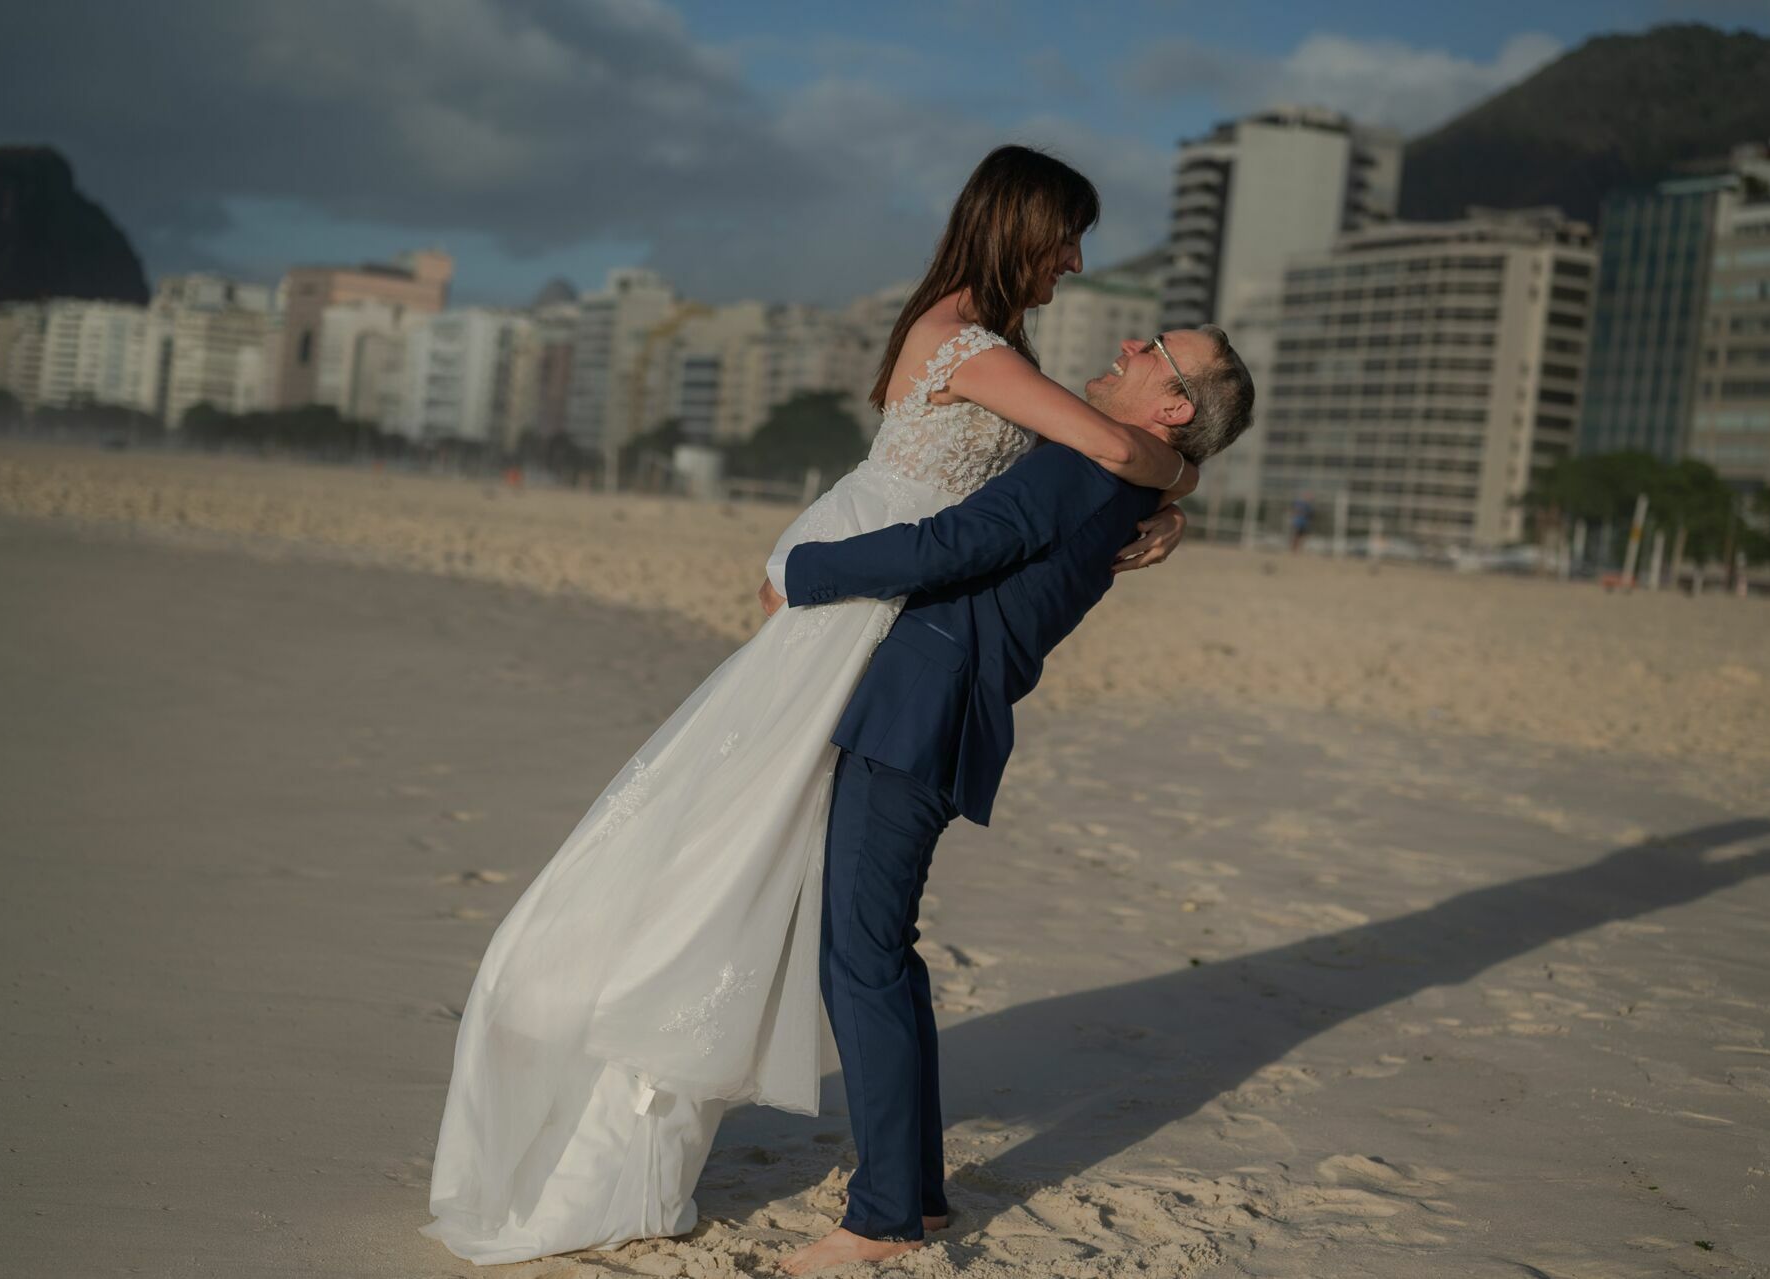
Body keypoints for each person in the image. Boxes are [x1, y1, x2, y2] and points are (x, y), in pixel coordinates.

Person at [420, 145, 1196, 1265]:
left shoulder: (990, 344)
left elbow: (1117, 447)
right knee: (736, 866)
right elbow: (1120, 442)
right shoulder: (961, 341)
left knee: (787, 888)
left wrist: (1174, 490)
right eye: (1066, 236)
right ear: (1017, 227)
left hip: (881, 602)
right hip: (858, 599)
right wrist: (1176, 485)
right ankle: (787, 1156)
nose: (1077, 260)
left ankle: (882, 1186)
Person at [770, 325, 1255, 1274]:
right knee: (880, 954)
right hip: (943, 711)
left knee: (862, 959)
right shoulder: (1128, 476)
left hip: (921, 713)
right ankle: (916, 1196)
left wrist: (802, 571)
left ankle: (880, 1222)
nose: (1127, 341)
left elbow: (954, 545)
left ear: (1173, 407)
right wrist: (1178, 497)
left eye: (1153, 345)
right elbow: (1141, 473)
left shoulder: (1091, 471)